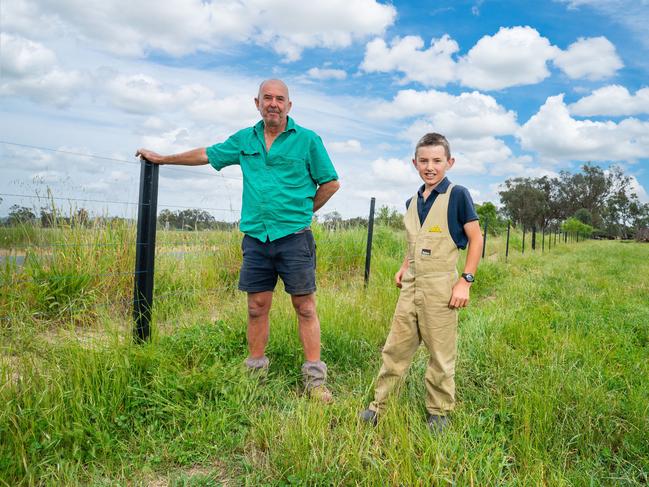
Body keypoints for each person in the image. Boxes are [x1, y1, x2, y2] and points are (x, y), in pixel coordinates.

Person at [136, 79, 340, 402]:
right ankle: (255, 372)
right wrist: (163, 159)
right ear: (256, 103)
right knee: (257, 306)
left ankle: (315, 381)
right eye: (267, 98)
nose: (273, 103)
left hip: (295, 239)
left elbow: (330, 183)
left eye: (280, 99)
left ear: (289, 105)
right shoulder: (246, 139)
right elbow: (207, 154)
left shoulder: (308, 141)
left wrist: (303, 211)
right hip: (257, 238)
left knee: (305, 306)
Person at [359, 132, 482, 431]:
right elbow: (413, 242)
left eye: (437, 161)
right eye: (424, 161)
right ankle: (379, 406)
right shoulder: (411, 201)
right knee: (395, 348)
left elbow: (476, 238)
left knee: (440, 353)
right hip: (411, 285)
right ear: (415, 163)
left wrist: (465, 280)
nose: (430, 166)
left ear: (449, 163)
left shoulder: (458, 196)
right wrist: (404, 266)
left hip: (441, 287)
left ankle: (438, 412)